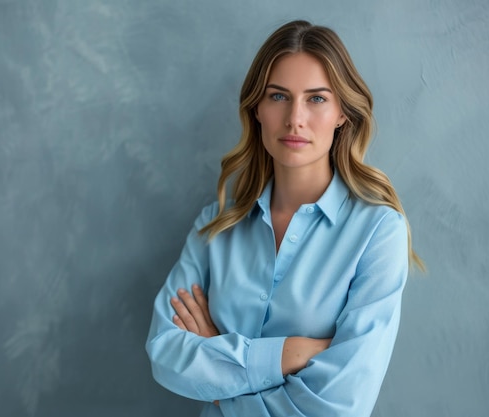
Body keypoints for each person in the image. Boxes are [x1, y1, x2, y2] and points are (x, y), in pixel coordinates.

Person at [146, 20, 423, 417]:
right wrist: (292, 353)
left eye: (316, 99)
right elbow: (165, 353)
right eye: (279, 96)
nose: (295, 118)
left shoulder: (378, 232)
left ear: (343, 112)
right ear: (257, 108)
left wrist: (221, 383)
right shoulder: (216, 225)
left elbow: (342, 404)